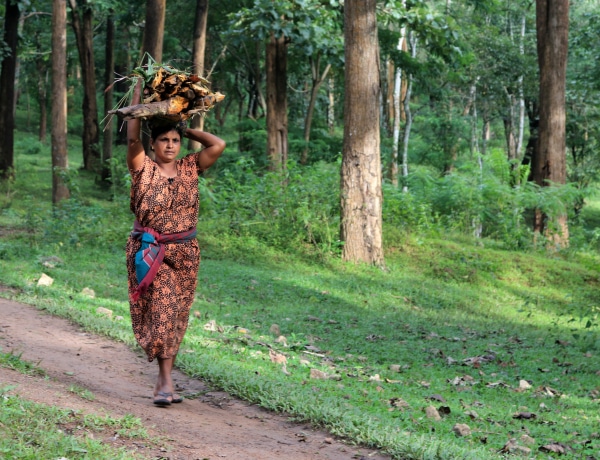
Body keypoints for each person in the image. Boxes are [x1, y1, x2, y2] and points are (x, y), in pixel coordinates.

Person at [125, 80, 226, 406]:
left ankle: (165, 379)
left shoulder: (190, 167)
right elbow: (131, 137)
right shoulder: (143, 169)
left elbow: (218, 144)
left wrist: (183, 126)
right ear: (152, 144)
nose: (170, 146)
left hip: (186, 253)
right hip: (152, 251)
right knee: (161, 312)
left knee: (176, 313)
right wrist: (138, 99)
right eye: (164, 140)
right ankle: (165, 382)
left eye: (174, 141)